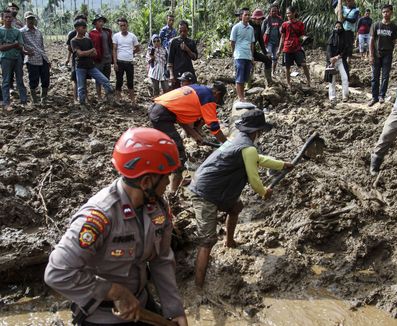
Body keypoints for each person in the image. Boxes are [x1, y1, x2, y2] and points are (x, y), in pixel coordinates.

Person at [44, 127, 188, 326]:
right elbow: (57, 272)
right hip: (102, 317)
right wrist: (114, 291)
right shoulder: (100, 216)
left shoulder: (158, 208)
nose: (168, 183)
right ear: (146, 181)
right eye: (165, 177)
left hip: (142, 305)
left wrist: (174, 310)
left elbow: (161, 260)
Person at [188, 109, 294, 288]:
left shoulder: (238, 141)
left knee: (235, 207)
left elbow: (257, 159)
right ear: (257, 131)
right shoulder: (247, 147)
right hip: (205, 192)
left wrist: (282, 164)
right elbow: (254, 179)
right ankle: (199, 287)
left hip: (213, 187)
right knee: (207, 241)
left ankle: (229, 242)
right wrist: (263, 192)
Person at [148, 82, 228, 193]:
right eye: (218, 100)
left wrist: (196, 135)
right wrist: (227, 144)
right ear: (217, 94)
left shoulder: (197, 88)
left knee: (166, 149)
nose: (216, 103)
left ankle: (164, 179)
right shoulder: (209, 98)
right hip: (162, 115)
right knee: (178, 152)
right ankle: (172, 192)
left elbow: (179, 117)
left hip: (156, 110)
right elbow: (214, 128)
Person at [71, 19, 114, 108]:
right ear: (77, 29)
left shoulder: (88, 40)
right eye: (83, 28)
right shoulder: (74, 41)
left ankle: (110, 98)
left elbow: (95, 53)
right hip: (80, 67)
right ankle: (83, 105)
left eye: (85, 27)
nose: (85, 30)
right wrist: (89, 51)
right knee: (81, 88)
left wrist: (86, 53)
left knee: (105, 81)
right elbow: (80, 54)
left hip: (91, 66)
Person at [368, 4, 397, 107]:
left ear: (391, 13)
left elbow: (394, 41)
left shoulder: (394, 27)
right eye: (384, 12)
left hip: (388, 54)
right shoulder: (376, 25)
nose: (386, 14)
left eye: (388, 12)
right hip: (376, 53)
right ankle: (374, 97)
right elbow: (371, 40)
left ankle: (382, 96)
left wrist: (390, 51)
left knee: (385, 76)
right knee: (374, 76)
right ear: (382, 13)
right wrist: (371, 55)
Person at [277, 6, 311, 88]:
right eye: (287, 13)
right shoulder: (284, 24)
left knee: (303, 64)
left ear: (294, 13)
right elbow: (282, 37)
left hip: (297, 47)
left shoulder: (300, 24)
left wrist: (304, 39)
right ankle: (288, 84)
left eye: (289, 13)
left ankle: (309, 81)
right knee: (287, 67)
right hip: (287, 48)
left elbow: (302, 35)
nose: (287, 15)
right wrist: (279, 49)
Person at [21, 11, 50, 105]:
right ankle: (35, 100)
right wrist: (25, 51)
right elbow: (20, 45)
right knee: (34, 80)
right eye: (28, 18)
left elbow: (42, 46)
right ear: (25, 20)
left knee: (45, 79)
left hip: (42, 57)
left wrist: (47, 59)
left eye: (32, 18)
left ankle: (44, 99)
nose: (30, 20)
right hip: (32, 58)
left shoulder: (38, 32)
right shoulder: (21, 32)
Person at [0, 9, 27, 111]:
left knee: (20, 80)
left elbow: (20, 45)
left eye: (10, 17)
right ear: (3, 18)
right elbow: (1, 48)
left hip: (17, 58)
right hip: (5, 58)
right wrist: (13, 44)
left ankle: (24, 101)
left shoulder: (16, 31)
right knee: (6, 81)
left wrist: (10, 45)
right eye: (6, 17)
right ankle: (6, 103)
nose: (8, 19)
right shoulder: (0, 31)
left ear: (13, 18)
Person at [112, 17, 140, 107]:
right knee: (119, 81)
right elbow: (114, 50)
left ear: (127, 25)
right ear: (119, 26)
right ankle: (118, 98)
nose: (123, 27)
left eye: (124, 25)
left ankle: (133, 100)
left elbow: (138, 48)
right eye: (121, 26)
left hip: (129, 62)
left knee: (130, 82)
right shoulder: (116, 36)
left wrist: (131, 53)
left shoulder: (132, 36)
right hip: (120, 62)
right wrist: (115, 63)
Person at [230, 8, 255, 101]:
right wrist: (234, 53)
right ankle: (240, 97)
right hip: (239, 55)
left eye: (249, 15)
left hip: (248, 55)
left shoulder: (251, 28)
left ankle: (242, 96)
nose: (248, 16)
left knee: (245, 77)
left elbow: (252, 43)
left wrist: (252, 56)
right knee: (239, 77)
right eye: (246, 15)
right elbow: (232, 42)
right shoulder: (236, 27)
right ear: (241, 16)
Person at [167, 20, 198, 89]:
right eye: (181, 31)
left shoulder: (191, 42)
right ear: (178, 30)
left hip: (188, 72)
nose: (182, 33)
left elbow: (195, 57)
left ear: (187, 30)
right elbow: (170, 60)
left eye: (185, 31)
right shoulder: (174, 42)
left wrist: (187, 50)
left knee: (190, 91)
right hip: (177, 72)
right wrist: (171, 75)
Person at [89, 15, 113, 101]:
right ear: (95, 23)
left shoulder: (107, 32)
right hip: (98, 59)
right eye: (99, 21)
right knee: (98, 79)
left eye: (102, 21)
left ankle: (108, 95)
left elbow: (110, 45)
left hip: (107, 58)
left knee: (107, 78)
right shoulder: (92, 34)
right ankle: (99, 97)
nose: (101, 23)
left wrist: (111, 56)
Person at [66, 14, 89, 103]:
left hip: (86, 59)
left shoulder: (87, 34)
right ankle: (75, 99)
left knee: (84, 79)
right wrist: (72, 56)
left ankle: (85, 98)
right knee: (75, 79)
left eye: (84, 21)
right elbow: (69, 47)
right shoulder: (72, 34)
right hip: (76, 59)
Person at [326, 21, 349, 102]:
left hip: (341, 60)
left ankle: (345, 96)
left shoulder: (345, 37)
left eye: (339, 27)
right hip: (332, 61)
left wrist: (338, 56)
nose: (338, 28)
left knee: (345, 77)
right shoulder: (331, 37)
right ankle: (332, 97)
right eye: (336, 27)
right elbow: (328, 50)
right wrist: (331, 59)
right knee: (332, 80)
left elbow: (346, 49)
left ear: (342, 27)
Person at [250, 9, 273, 87]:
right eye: (258, 19)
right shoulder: (248, 25)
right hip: (246, 51)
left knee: (268, 60)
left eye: (261, 19)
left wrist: (266, 53)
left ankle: (268, 81)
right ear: (254, 18)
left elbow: (261, 41)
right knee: (250, 65)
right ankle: (248, 84)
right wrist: (250, 56)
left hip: (253, 51)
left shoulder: (258, 26)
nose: (260, 20)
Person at [337, 0, 360, 78]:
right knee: (339, 50)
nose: (348, 2)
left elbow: (353, 20)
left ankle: (347, 69)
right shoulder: (342, 8)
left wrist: (345, 18)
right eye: (347, 1)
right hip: (341, 31)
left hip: (349, 33)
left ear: (353, 1)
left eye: (350, 1)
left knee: (348, 52)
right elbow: (333, 4)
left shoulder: (356, 10)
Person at [262, 4, 283, 75]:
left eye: (275, 11)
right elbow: (262, 31)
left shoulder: (280, 19)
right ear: (270, 11)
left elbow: (282, 31)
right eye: (273, 11)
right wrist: (263, 42)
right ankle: (267, 71)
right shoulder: (266, 20)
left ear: (277, 11)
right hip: (269, 42)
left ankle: (272, 72)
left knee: (275, 58)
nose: (274, 12)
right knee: (268, 56)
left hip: (277, 42)